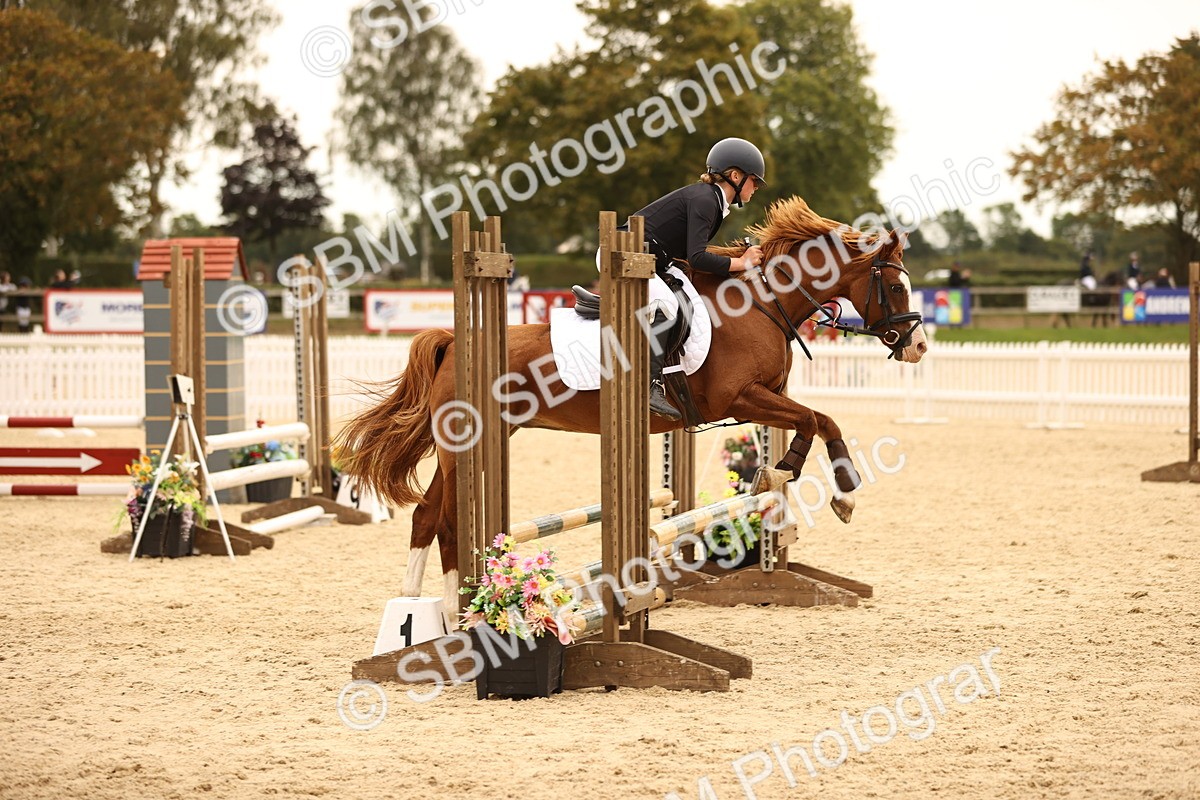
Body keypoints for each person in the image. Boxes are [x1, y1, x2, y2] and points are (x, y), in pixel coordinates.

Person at [614, 137, 765, 420]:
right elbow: (697, 258)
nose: (755, 186)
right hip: (627, 254)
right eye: (753, 180)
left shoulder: (713, 201)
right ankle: (649, 385)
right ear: (735, 176)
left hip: (652, 260)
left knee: (689, 297)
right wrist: (741, 262)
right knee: (667, 306)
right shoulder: (705, 200)